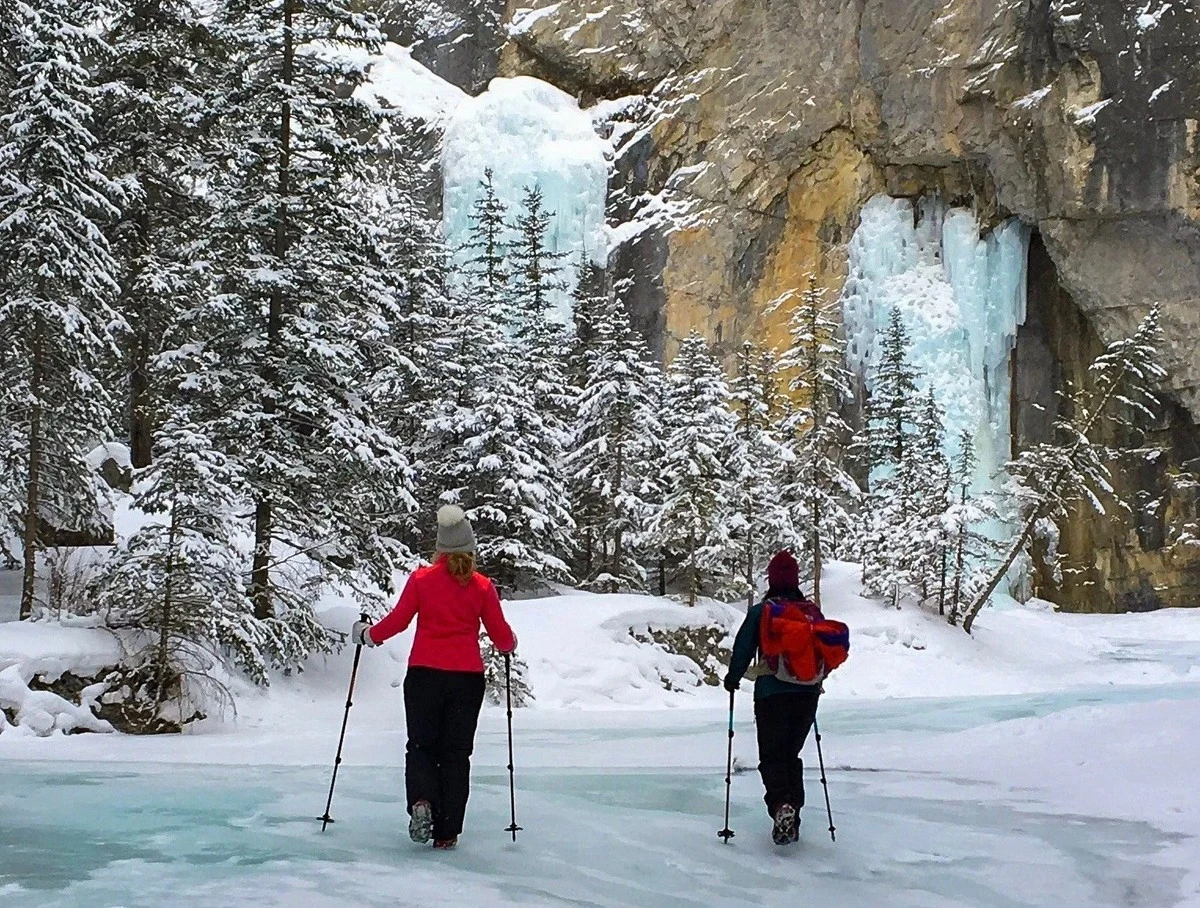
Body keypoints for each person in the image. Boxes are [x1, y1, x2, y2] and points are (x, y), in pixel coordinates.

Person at [352, 504, 516, 850]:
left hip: (424, 675)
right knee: (456, 754)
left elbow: (397, 621)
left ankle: (422, 801)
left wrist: (368, 635)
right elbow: (501, 637)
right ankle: (446, 833)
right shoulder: (482, 587)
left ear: (440, 546)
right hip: (466, 680)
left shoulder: (421, 580)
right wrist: (510, 642)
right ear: (470, 547)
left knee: (421, 746)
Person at [723, 550, 824, 846]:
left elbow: (743, 647)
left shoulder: (763, 612)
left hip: (771, 694)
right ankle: (793, 817)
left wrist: (732, 678)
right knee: (790, 755)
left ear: (771, 579)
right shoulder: (811, 612)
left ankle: (781, 805)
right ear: (794, 580)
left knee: (771, 757)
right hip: (807, 694)